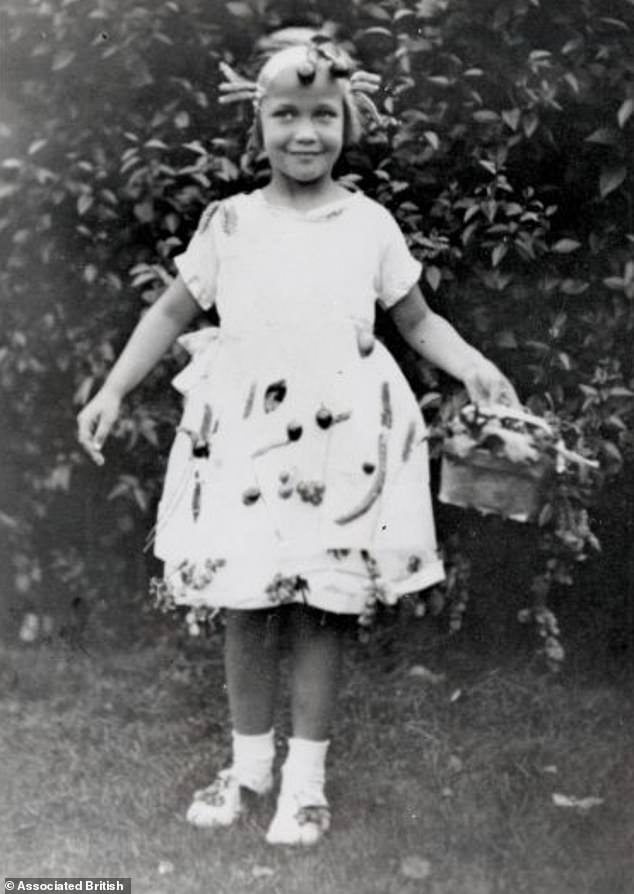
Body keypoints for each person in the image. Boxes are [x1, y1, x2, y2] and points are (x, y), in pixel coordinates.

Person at [77, 37, 517, 847]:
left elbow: (416, 320)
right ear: (260, 123)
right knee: (246, 606)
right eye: (286, 115)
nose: (304, 133)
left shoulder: (369, 225)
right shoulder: (232, 223)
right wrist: (112, 388)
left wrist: (476, 368)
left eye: (322, 115)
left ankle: (305, 785)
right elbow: (173, 311)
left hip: (340, 444)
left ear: (348, 120)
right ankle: (248, 769)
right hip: (246, 443)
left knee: (322, 609)